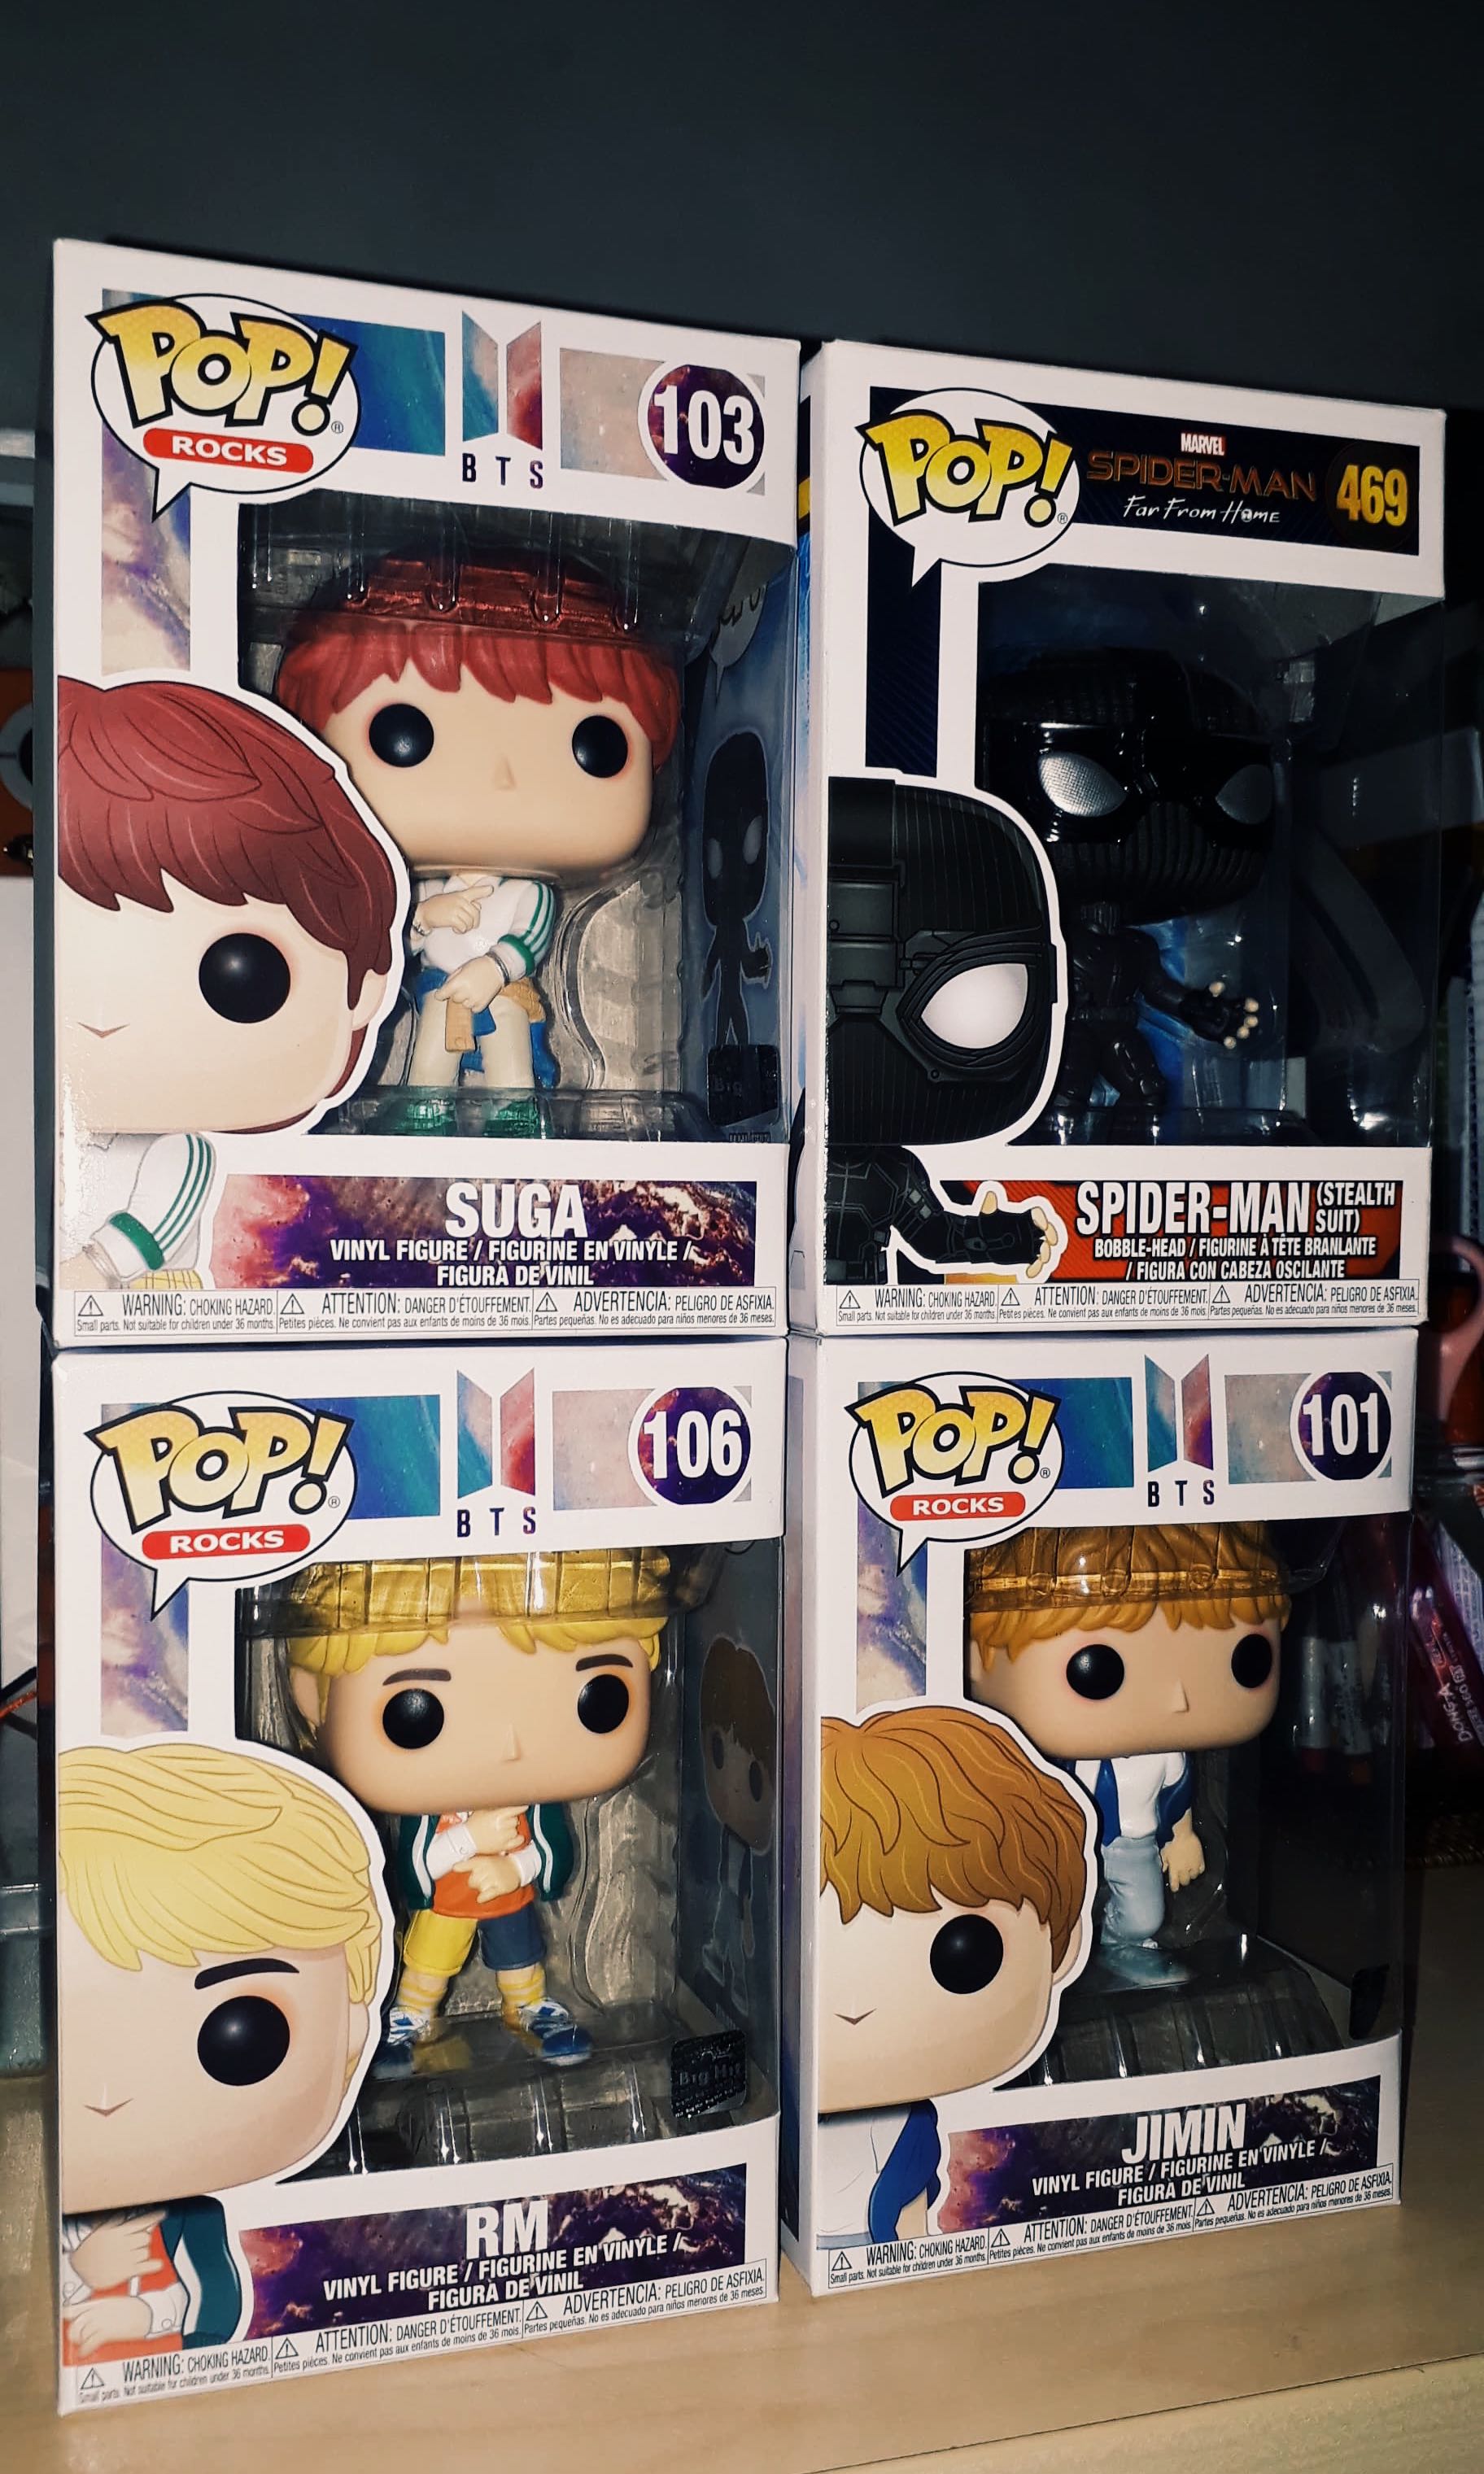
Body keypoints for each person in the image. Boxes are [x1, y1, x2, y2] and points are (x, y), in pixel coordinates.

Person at [277, 1547, 705, 2068]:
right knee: (429, 1960)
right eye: (414, 1714)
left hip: (508, 1897)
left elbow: (552, 1854)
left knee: (520, 1953)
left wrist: (514, 1868)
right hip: (446, 1903)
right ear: (311, 1698)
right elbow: (415, 1869)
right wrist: (470, 1840)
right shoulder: (428, 1815)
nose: (509, 1745)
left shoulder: (533, 1808)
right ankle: (413, 2013)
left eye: (600, 1696)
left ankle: (528, 2006)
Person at [275, 556, 679, 1093]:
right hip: (440, 989)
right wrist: (424, 916)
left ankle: (514, 1112)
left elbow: (531, 936)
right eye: (403, 734)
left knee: (509, 1061)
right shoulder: (420, 891)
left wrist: (494, 968)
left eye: (594, 744)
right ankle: (424, 1108)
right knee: (430, 1063)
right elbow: (394, 946)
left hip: (502, 989)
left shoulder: (530, 892)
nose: (501, 776)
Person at [55, 675, 401, 1289]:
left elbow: (169, 1208)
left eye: (240, 976)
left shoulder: (180, 1148)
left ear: (364, 991)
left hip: (152, 1298)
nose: (104, 1021)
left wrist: (100, 1266)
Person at [58, 1742, 384, 2362]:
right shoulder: (41, 2199)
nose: (107, 2096)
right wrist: (80, 2270)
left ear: (351, 2025)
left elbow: (222, 2308)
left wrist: (144, 2315)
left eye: (242, 2033)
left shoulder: (198, 2220)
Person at [816, 1706, 1090, 2249]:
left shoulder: (912, 2127)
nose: (856, 2006)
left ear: (1062, 1949)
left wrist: (910, 2256)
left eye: (963, 1955)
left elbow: (911, 2213)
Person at [967, 1525, 1290, 1950]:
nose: (1177, 1699)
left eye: (1245, 1657)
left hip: (1134, 1844)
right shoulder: (1047, 1761)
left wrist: (1183, 1838)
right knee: (1048, 1914)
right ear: (976, 1657)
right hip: (1062, 1843)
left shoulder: (1168, 1757)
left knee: (1143, 1918)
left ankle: (1116, 1944)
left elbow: (1176, 1796)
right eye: (1099, 1667)